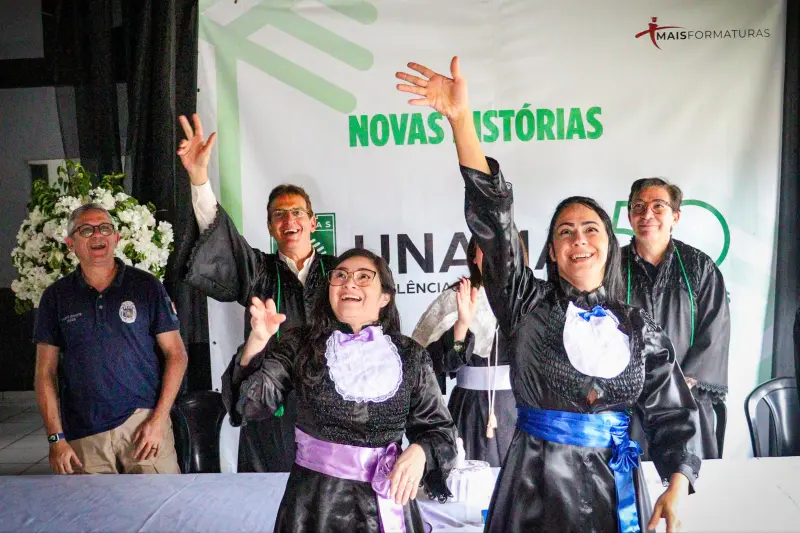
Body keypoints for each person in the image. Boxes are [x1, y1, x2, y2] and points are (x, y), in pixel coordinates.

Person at [396, 57, 701, 533]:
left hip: (616, 491)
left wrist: (676, 484)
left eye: (590, 229)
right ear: (553, 253)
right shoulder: (527, 305)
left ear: (609, 244)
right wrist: (461, 122)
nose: (579, 239)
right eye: (565, 231)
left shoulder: (639, 327)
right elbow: (495, 223)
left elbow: (674, 414)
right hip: (534, 489)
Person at [226, 248, 457, 532]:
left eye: (363, 277)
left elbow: (440, 431)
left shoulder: (411, 356)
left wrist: (421, 451)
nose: (349, 283)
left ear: (385, 296)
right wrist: (257, 342)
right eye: (341, 276)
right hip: (315, 507)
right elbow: (251, 404)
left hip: (387, 506)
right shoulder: (300, 345)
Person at [177, 114, 337, 472]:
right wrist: (199, 179)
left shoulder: (341, 274)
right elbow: (223, 242)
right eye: (279, 214)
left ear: (313, 222)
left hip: (332, 411)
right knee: (268, 498)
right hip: (271, 408)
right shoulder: (260, 271)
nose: (289, 221)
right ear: (269, 226)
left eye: (297, 212)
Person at [33, 203, 187, 475]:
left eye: (105, 228)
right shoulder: (55, 297)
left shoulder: (147, 286)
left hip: (144, 426)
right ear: (70, 244)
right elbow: (44, 373)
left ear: (115, 238)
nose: (97, 235)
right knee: (92, 505)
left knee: (160, 501)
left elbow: (176, 355)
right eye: (86, 230)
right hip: (84, 434)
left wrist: (159, 419)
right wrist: (56, 438)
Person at [621, 178, 731, 460]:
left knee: (686, 477)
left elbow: (715, 331)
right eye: (638, 207)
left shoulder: (699, 267)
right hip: (627, 404)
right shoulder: (611, 267)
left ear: (675, 217)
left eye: (658, 207)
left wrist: (679, 385)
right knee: (631, 481)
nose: (647, 214)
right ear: (629, 215)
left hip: (686, 401)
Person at [412, 236, 517, 466]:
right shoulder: (455, 297)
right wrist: (461, 326)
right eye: (484, 246)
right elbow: (429, 364)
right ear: (473, 255)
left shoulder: (529, 298)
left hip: (517, 409)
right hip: (469, 408)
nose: (494, 253)